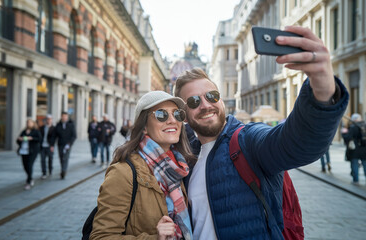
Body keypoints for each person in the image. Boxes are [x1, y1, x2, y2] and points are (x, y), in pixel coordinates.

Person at [173, 26, 349, 239]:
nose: (205, 104)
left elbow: (296, 144)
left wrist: (322, 88)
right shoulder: (184, 159)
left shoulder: (248, 140)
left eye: (211, 95)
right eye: (193, 101)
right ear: (183, 113)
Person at [90, 91, 195, 239]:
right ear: (144, 126)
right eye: (161, 114)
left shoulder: (178, 168)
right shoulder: (122, 173)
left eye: (177, 114)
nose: (172, 120)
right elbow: (101, 236)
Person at [341, 113, 366, 187]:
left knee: (355, 164)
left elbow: (348, 138)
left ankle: (356, 180)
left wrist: (343, 133)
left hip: (355, 149)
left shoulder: (353, 127)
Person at [17, 119, 42, 190]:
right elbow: (18, 140)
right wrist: (20, 139)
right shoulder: (24, 131)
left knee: (29, 164)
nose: (28, 124)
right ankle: (30, 178)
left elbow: (39, 139)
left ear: (33, 124)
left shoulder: (36, 131)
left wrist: (31, 138)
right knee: (25, 166)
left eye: (30, 123)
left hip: (32, 151)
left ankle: (28, 182)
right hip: (24, 151)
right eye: (27, 122)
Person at [51, 111, 77, 179]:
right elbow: (54, 135)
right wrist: (52, 145)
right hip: (60, 144)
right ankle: (63, 168)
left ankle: (63, 171)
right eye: (63, 116)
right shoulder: (58, 125)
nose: (64, 117)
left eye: (65, 116)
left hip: (68, 144)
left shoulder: (71, 125)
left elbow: (74, 135)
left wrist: (70, 143)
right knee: (61, 157)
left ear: (67, 117)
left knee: (65, 157)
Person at [39, 114, 55, 179]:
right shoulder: (42, 128)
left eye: (50, 119)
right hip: (42, 146)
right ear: (46, 120)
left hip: (49, 146)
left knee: (50, 159)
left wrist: (52, 145)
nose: (48, 120)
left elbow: (54, 138)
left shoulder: (53, 128)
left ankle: (50, 171)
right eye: (47, 119)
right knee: (42, 160)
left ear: (51, 120)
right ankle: (44, 173)